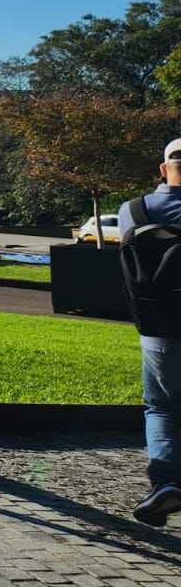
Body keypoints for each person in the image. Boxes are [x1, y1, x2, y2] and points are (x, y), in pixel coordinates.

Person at [116, 136, 181, 527]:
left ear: (162, 169)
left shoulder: (133, 210)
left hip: (157, 327)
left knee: (162, 408)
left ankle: (165, 481)